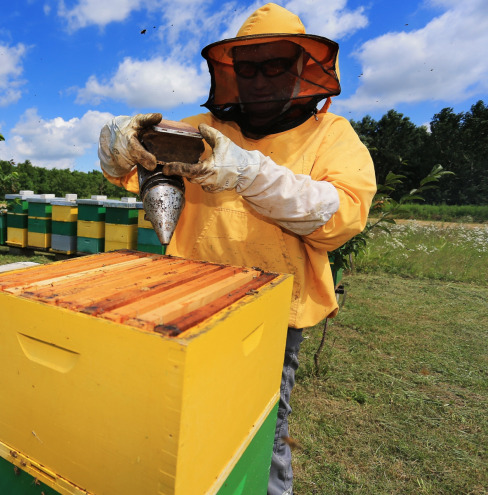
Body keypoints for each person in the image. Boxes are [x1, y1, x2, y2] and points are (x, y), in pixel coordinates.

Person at [97, 3, 377, 494]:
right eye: (248, 69)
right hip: (186, 301)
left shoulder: (332, 136)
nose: (260, 80)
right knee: (183, 421)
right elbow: (128, 169)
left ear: (300, 70)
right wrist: (117, 142)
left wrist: (248, 173)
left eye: (275, 66)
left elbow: (339, 218)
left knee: (260, 433)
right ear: (229, 74)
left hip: (273, 315)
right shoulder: (201, 130)